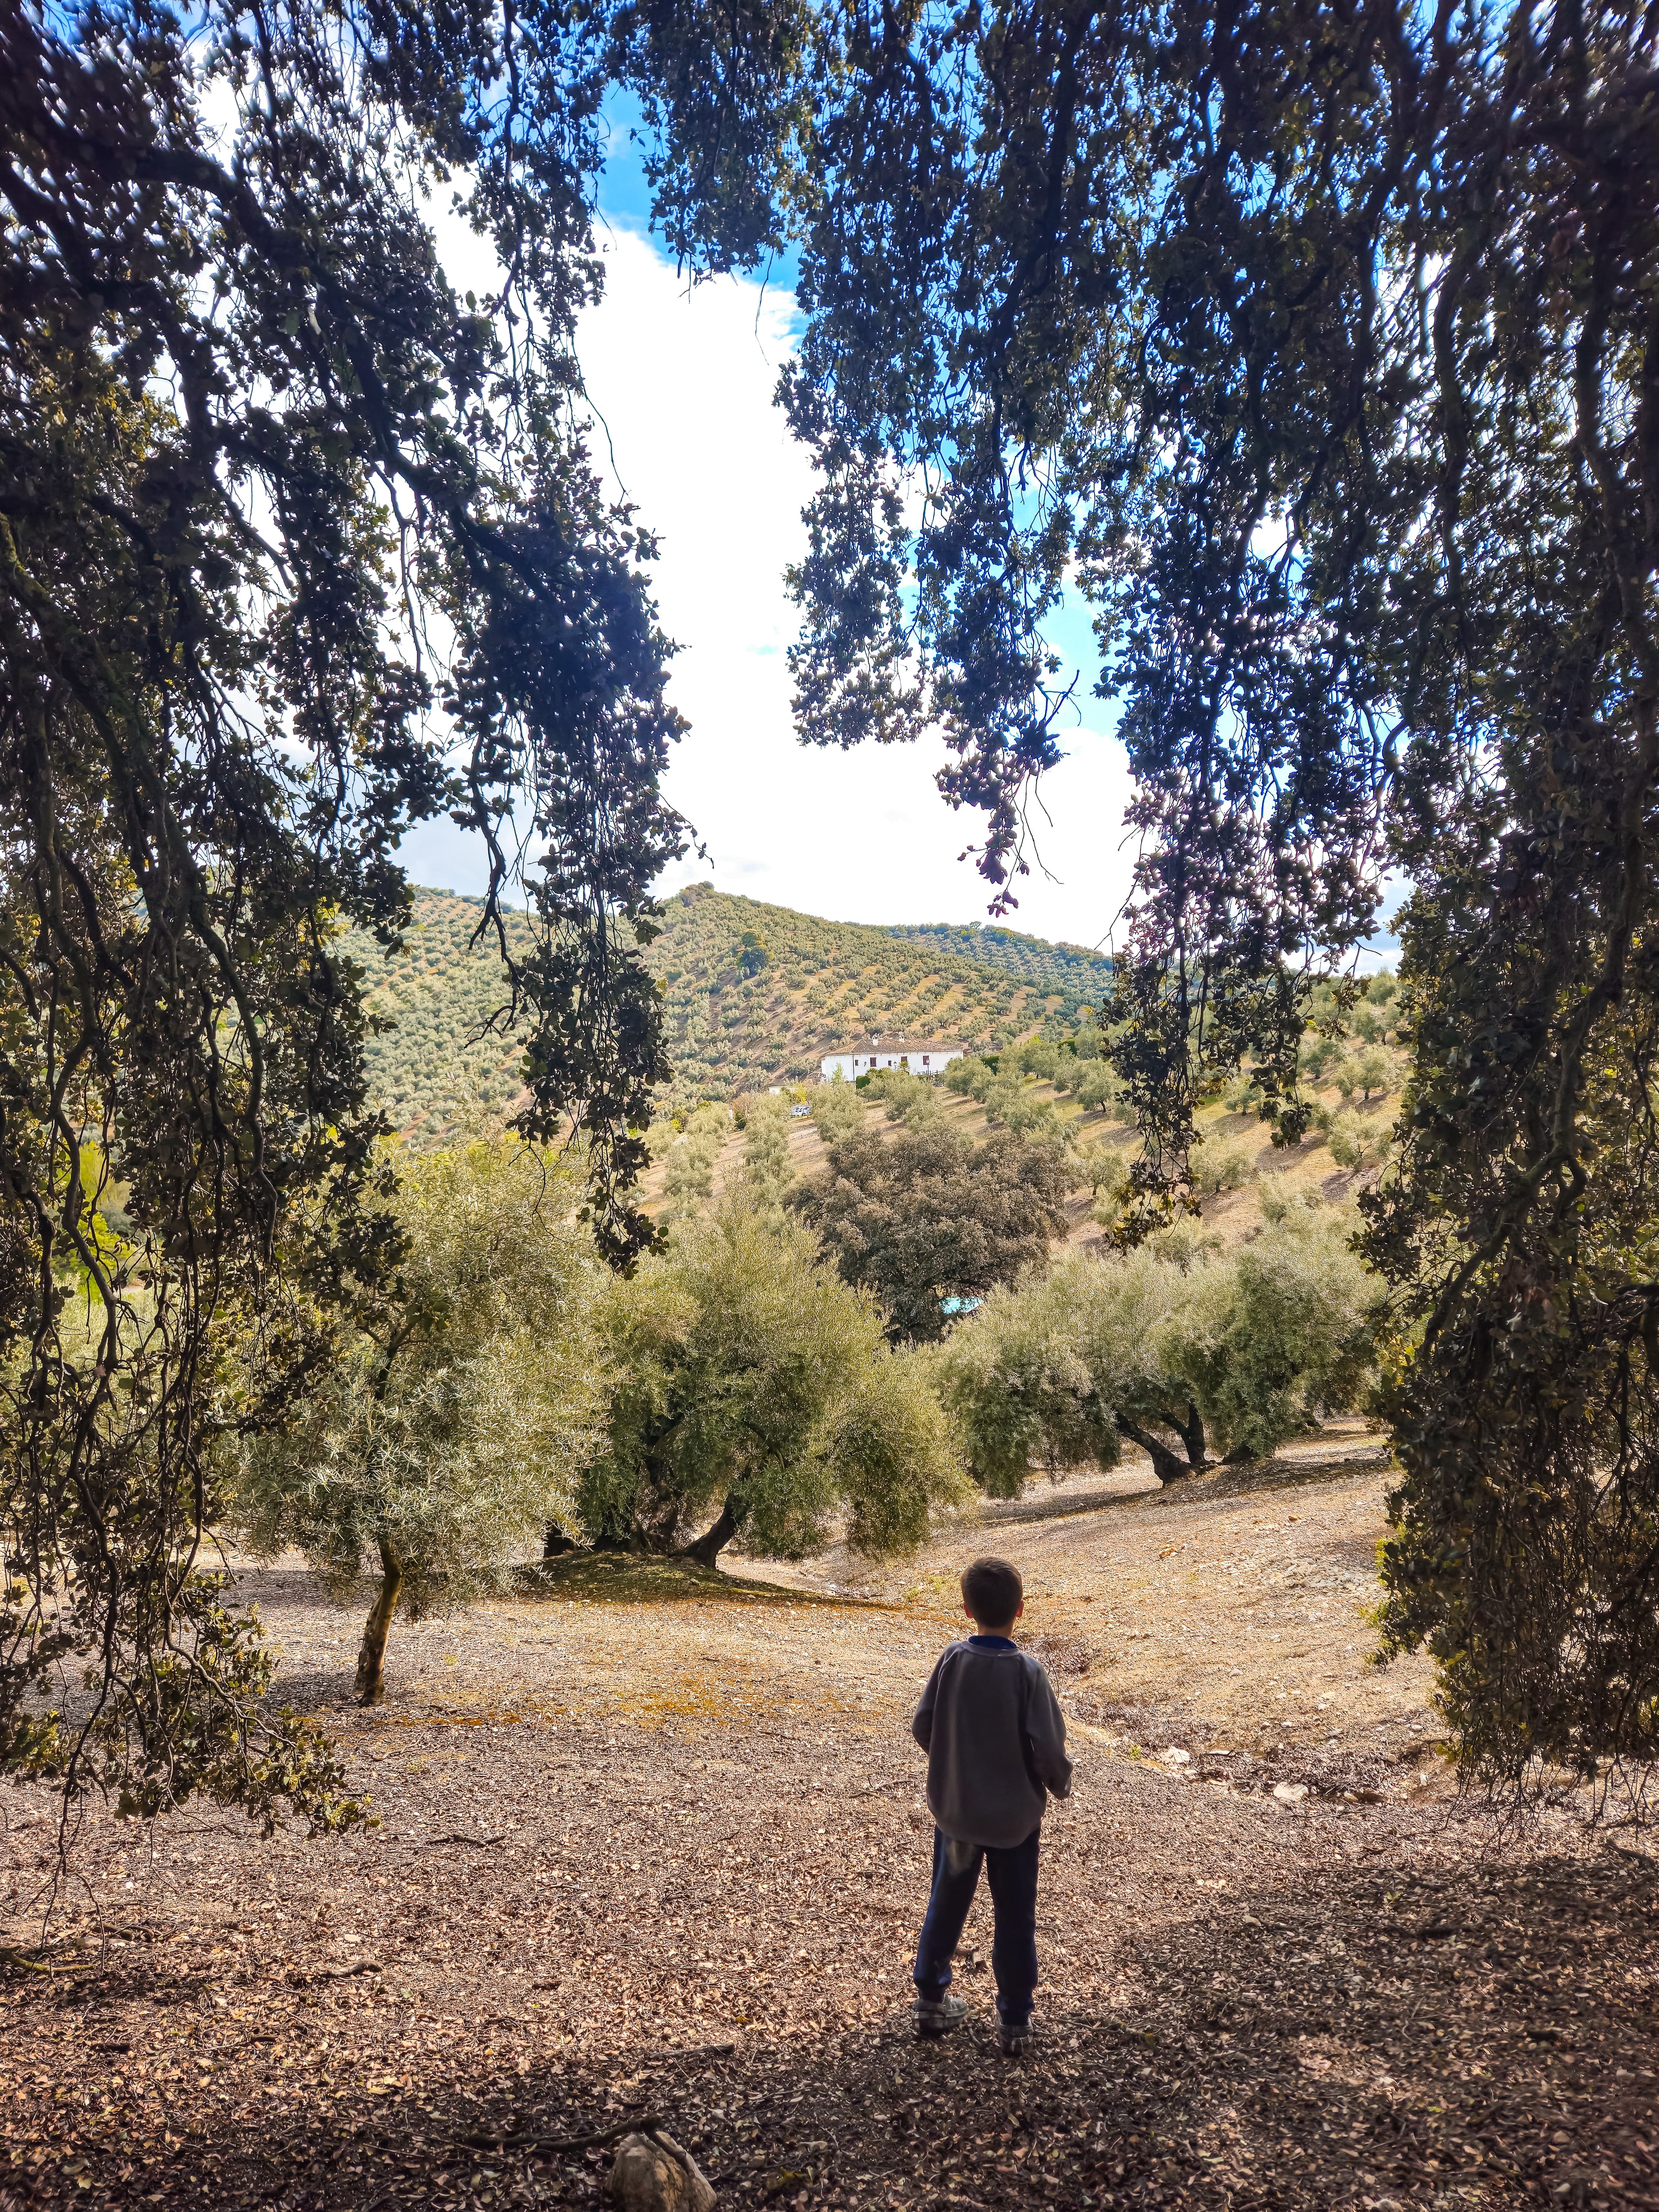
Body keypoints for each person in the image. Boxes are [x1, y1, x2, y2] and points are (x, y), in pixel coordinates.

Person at [909, 1555, 1072, 2055]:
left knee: (947, 1902)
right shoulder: (1028, 1671)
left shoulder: (953, 1660)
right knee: (1015, 1914)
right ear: (1020, 1609)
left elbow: (924, 1725)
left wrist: (954, 1764)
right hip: (1014, 1822)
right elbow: (1048, 1748)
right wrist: (1060, 1784)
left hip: (958, 1814)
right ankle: (1016, 2019)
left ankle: (931, 2000)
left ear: (966, 1609)